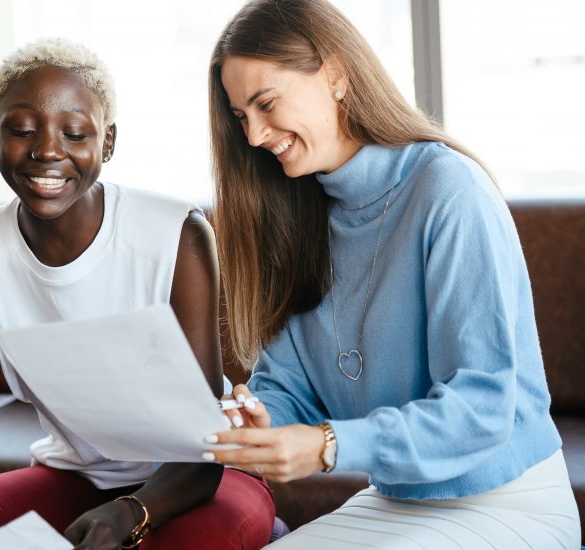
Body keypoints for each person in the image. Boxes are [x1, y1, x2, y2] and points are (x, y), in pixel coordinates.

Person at [0, 38, 275, 550]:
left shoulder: (177, 235)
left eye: (75, 132)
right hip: (77, 479)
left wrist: (131, 512)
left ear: (107, 143)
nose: (48, 150)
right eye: (21, 130)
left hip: (201, 479)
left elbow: (200, 450)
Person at [201, 1, 581, 548]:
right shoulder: (295, 215)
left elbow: (481, 408)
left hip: (509, 502)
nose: (256, 136)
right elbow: (287, 386)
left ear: (334, 74)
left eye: (266, 103)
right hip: (399, 501)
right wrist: (259, 422)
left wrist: (328, 445)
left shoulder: (449, 191)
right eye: (241, 117)